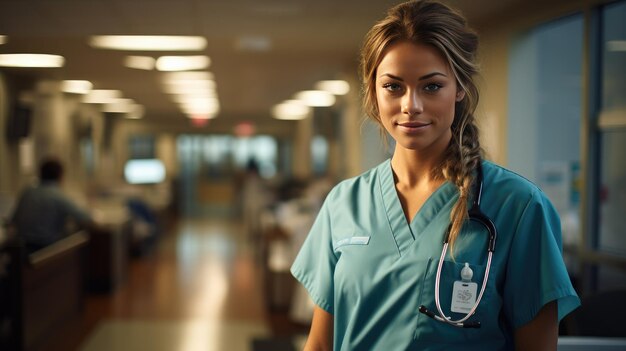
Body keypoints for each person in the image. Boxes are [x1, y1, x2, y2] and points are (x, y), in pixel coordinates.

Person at [290, 1, 580, 350]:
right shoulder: (343, 204)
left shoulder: (517, 207)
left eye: (431, 86)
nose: (411, 105)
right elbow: (320, 344)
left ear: (459, 88)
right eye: (393, 87)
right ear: (373, 92)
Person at [9, 157, 93, 253]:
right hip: (47, 250)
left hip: (23, 249)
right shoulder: (57, 195)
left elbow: (14, 220)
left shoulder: (27, 192)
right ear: (60, 175)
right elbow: (84, 217)